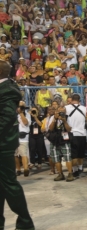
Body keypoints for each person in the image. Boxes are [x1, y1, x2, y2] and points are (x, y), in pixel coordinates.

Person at [0, 60, 35, 230]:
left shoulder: (6, 90)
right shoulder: (6, 88)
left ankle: (25, 223)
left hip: (2, 144)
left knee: (9, 184)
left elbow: (5, 120)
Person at [48, 106, 74, 182]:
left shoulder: (68, 117)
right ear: (56, 111)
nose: (61, 113)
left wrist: (64, 121)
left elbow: (69, 129)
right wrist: (55, 119)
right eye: (60, 112)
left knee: (67, 157)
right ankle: (60, 174)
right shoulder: (52, 117)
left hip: (65, 140)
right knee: (56, 158)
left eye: (63, 112)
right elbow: (50, 129)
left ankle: (70, 173)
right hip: (54, 140)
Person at [15, 100, 32, 177]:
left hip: (23, 137)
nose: (20, 108)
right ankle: (18, 169)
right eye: (19, 106)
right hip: (14, 136)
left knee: (23, 154)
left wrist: (21, 113)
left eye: (22, 106)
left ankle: (26, 169)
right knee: (15, 155)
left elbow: (25, 123)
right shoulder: (14, 114)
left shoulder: (27, 115)